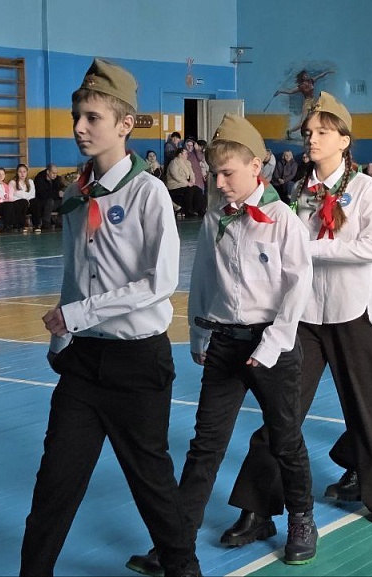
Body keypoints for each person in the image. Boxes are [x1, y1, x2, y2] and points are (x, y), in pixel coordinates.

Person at [20, 58, 200, 577]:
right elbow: (73, 272)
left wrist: (78, 314)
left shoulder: (148, 192)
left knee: (151, 483)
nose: (79, 127)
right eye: (76, 116)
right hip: (82, 362)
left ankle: (184, 570)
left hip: (136, 362)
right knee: (54, 483)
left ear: (125, 125)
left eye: (92, 117)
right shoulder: (76, 193)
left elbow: (159, 283)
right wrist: (62, 341)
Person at [126, 114, 318, 577]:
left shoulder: (283, 220)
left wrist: (270, 347)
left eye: (228, 173)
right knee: (205, 446)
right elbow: (203, 280)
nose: (220, 183)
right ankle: (176, 542)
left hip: (271, 345)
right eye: (214, 174)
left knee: (285, 439)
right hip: (225, 343)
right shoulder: (216, 217)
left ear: (255, 167)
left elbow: (297, 289)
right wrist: (199, 334)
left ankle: (301, 518)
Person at [222, 92, 372, 540]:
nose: (312, 139)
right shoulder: (300, 192)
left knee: (367, 408)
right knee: (281, 411)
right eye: (308, 132)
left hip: (352, 312)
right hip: (304, 314)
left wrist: (307, 249)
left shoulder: (365, 189)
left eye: (322, 132)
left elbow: (371, 248)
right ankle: (256, 509)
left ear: (344, 140)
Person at [275, 69, 333, 140]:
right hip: (307, 103)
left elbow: (320, 76)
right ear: (302, 77)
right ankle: (289, 132)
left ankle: (313, 134)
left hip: (313, 102)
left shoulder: (311, 81)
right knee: (302, 123)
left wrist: (327, 72)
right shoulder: (301, 86)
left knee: (315, 117)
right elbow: (291, 91)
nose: (307, 75)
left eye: (306, 74)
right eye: (305, 75)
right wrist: (280, 92)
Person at [166, 148, 203, 218]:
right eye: (185, 153)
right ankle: (188, 210)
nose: (187, 155)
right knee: (189, 190)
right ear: (180, 154)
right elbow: (176, 175)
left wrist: (192, 181)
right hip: (175, 185)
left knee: (198, 190)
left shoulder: (187, 162)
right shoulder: (173, 162)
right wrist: (187, 183)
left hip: (186, 184)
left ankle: (199, 210)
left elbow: (192, 173)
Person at [33, 163, 63, 231]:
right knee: (50, 201)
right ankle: (46, 223)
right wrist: (57, 194)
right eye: (53, 173)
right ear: (48, 172)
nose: (55, 175)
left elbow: (58, 190)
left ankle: (59, 222)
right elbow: (42, 194)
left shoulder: (56, 179)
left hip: (53, 202)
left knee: (64, 200)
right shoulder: (39, 179)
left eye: (56, 173)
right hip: (42, 202)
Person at [9, 163, 34, 232]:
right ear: (17, 172)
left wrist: (23, 196)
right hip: (16, 203)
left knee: (35, 202)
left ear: (27, 172)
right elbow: (11, 196)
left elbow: (32, 194)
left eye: (24, 172)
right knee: (23, 202)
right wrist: (23, 198)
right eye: (20, 172)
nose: (22, 174)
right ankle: (21, 225)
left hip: (28, 202)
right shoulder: (13, 182)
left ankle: (37, 225)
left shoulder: (30, 182)